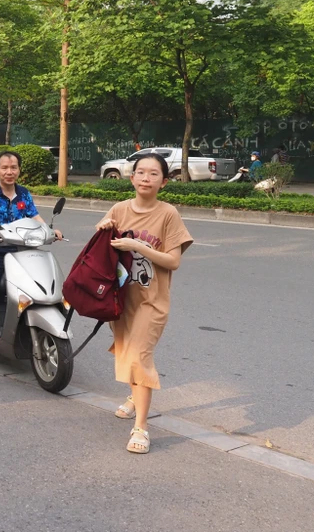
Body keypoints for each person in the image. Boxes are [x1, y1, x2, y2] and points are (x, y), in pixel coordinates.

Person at [95, 153, 193, 454]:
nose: (145, 178)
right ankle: (133, 395)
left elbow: (173, 261)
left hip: (152, 302)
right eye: (140, 172)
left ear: (164, 182)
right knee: (126, 351)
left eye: (153, 174)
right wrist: (104, 225)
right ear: (131, 177)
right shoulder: (119, 208)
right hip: (121, 298)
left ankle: (142, 427)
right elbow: (102, 245)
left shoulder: (168, 215)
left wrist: (138, 245)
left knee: (138, 357)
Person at [0, 150, 62, 368]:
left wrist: (50, 231)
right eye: (5, 168)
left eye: (13, 167)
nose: (9, 172)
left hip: (22, 250)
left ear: (19, 170)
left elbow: (34, 217)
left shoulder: (24, 194)